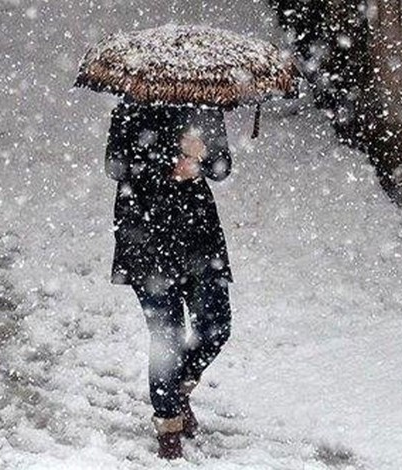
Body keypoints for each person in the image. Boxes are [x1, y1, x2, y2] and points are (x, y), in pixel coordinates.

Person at [104, 98, 233, 459]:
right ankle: (168, 426)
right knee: (167, 336)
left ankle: (175, 390)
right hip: (146, 236)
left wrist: (202, 157)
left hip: (198, 238)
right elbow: (116, 166)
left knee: (216, 324)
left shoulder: (204, 107)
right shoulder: (130, 109)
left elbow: (222, 167)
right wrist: (169, 160)